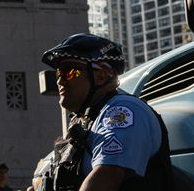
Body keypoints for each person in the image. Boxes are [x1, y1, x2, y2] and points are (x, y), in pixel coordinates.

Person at [39, 34, 172, 190]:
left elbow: (107, 176)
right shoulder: (85, 121)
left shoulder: (122, 109)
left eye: (70, 71)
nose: (60, 80)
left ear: (101, 76)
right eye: (58, 73)